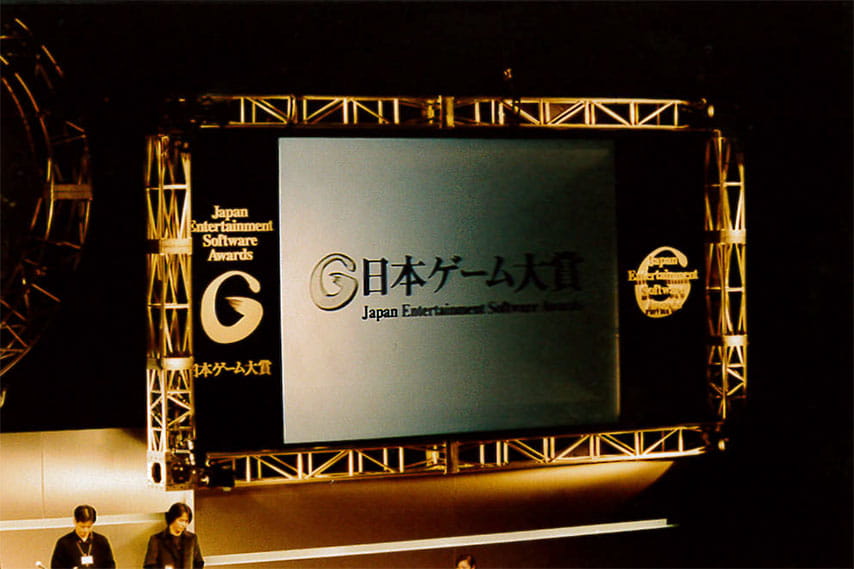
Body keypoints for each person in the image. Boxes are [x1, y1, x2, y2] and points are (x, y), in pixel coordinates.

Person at [50, 505, 116, 569]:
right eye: (82, 527)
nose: (85, 530)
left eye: (89, 527)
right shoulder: (63, 543)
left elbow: (110, 565)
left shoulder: (101, 541)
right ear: (75, 521)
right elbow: (56, 566)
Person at [143, 502, 204, 568]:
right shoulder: (157, 540)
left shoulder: (192, 539)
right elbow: (149, 565)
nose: (184, 524)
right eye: (181, 520)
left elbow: (199, 562)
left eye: (186, 521)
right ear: (172, 518)